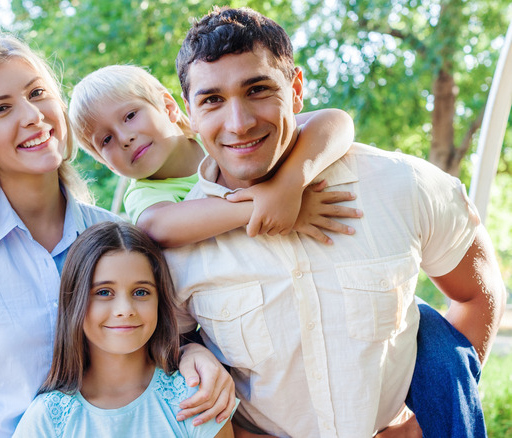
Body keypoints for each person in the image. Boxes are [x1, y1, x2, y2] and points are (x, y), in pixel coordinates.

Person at [0, 36, 235, 438]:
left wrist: (192, 350)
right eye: (2, 109)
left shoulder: (115, 238)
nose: (32, 115)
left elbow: (147, 333)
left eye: (37, 93)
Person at [167, 7, 506, 438]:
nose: (240, 122)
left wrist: (423, 425)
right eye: (212, 99)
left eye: (257, 89)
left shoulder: (403, 185)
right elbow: (165, 356)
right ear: (189, 113)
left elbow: (479, 293)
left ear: (295, 89)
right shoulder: (176, 246)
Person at [69, 65, 361, 247]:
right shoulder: (145, 194)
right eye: (106, 140)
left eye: (130, 115)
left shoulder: (221, 134)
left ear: (169, 107)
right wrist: (268, 206)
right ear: (103, 162)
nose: (125, 138)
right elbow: (158, 226)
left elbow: (334, 121)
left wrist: (288, 186)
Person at [13, 221, 238, 437]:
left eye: (141, 292)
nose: (125, 310)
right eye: (103, 292)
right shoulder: (47, 419)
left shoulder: (195, 399)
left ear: (160, 301)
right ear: (75, 302)